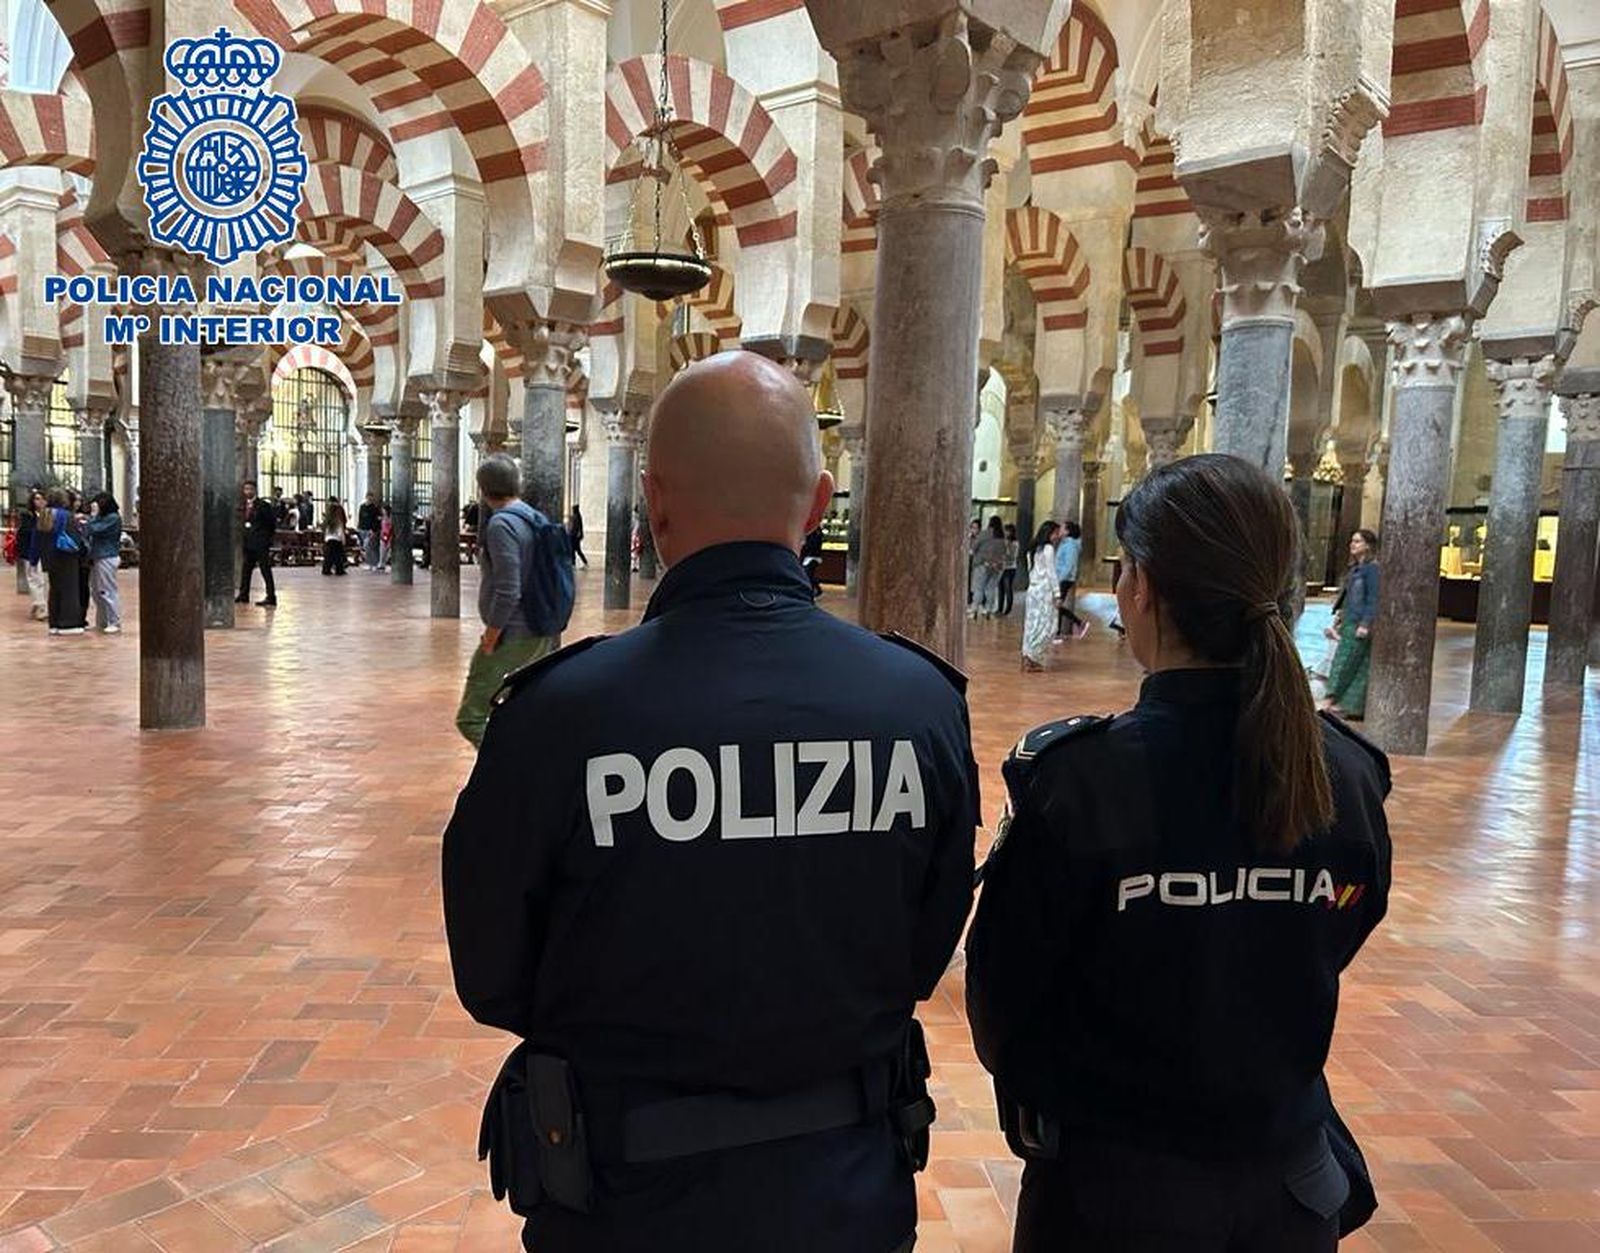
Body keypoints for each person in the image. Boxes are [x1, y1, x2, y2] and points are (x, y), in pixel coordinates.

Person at [443, 351, 979, 1253]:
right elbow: (925, 945)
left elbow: (494, 974)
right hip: (847, 1195)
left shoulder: (557, 715)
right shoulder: (919, 705)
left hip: (622, 1205)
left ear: (654, 504)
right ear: (819, 504)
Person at [966, 454, 1392, 1253]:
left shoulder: (1080, 781)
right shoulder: (1348, 774)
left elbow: (1004, 1013)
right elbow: (1336, 935)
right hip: (1287, 1191)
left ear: (1142, 588)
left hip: (1113, 1193)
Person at [452, 454, 563, 748]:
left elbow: (508, 589)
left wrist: (492, 634)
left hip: (513, 633)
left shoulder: (502, 524)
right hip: (540, 629)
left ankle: (511, 765)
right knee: (523, 709)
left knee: (471, 718)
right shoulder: (532, 517)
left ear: (483, 488)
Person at [1321, 530, 1380, 721]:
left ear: (1368, 545)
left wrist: (1365, 623)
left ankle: (1336, 701)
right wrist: (1338, 620)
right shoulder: (1355, 569)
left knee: (1350, 662)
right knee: (1344, 661)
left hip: (1359, 623)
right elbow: (1347, 598)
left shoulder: (1372, 570)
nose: (1352, 544)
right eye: (1352, 541)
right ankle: (1338, 701)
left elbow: (1373, 599)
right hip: (1349, 621)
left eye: (1357, 541)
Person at [36, 487, 88, 635]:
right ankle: (68, 623)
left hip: (49, 557)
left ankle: (54, 623)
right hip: (66, 556)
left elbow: (37, 537)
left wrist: (35, 558)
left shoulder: (44, 514)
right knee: (69, 589)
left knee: (55, 589)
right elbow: (75, 538)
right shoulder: (67, 516)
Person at [1020, 520, 1060, 673]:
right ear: (1049, 533)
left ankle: (1027, 656)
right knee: (1046, 625)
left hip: (1033, 590)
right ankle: (1033, 656)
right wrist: (1057, 593)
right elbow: (1051, 572)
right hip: (1044, 591)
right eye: (1055, 533)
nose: (1057, 536)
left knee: (1031, 624)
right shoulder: (1048, 549)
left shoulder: (1032, 548)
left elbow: (1031, 570)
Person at [85, 492, 124, 633]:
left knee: (107, 590)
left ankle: (114, 621)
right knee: (96, 591)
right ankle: (102, 621)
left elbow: (93, 529)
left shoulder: (113, 518)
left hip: (107, 557)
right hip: (97, 556)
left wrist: (92, 516)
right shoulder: (101, 518)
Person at [237, 479, 278, 607]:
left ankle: (271, 596)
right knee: (246, 570)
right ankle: (243, 594)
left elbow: (271, 523)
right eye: (246, 489)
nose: (248, 492)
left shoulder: (263, 505)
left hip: (260, 543)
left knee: (265, 570)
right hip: (248, 543)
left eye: (250, 489)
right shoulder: (243, 505)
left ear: (255, 490)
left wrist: (266, 538)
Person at [1054, 519, 1089, 639]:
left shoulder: (1070, 545)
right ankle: (1077, 624)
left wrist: (1059, 579)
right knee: (1057, 605)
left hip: (1064, 579)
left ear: (1067, 531)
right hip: (1063, 578)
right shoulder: (1066, 544)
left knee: (1057, 605)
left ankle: (1076, 624)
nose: (1059, 530)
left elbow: (1068, 565)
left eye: (1062, 528)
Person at [970, 515, 1008, 619]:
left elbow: (974, 547)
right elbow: (1005, 552)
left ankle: (974, 610)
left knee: (979, 588)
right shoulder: (1002, 537)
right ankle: (988, 610)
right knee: (991, 588)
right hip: (997, 566)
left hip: (982, 563)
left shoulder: (984, 534)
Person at [18, 487, 47, 621]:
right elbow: (25, 532)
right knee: (35, 579)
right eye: (37, 499)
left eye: (42, 499)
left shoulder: (48, 514)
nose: (40, 502)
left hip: (44, 552)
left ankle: (39, 604)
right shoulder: (28, 516)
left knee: (42, 579)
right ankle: (41, 607)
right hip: (30, 551)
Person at [322, 497, 349, 576]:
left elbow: (326, 530)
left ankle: (326, 569)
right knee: (338, 556)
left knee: (328, 556)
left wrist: (325, 538)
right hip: (337, 539)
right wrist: (343, 540)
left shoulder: (328, 520)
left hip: (329, 539)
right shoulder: (338, 520)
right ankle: (339, 570)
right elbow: (340, 531)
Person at [997, 523, 1020, 616]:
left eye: (1007, 531)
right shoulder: (1003, 541)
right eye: (1005, 531)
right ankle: (999, 608)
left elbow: (1012, 556)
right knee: (1000, 588)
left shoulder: (1015, 543)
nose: (1006, 533)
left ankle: (1008, 609)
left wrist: (1007, 547)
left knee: (1007, 588)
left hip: (1010, 568)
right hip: (1001, 568)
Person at [357, 491, 381, 570]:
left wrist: (373, 530)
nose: (370, 499)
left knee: (369, 546)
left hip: (370, 530)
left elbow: (375, 520)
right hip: (362, 529)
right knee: (366, 547)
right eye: (368, 497)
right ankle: (369, 563)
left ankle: (374, 563)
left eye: (371, 498)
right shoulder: (362, 507)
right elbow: (360, 518)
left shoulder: (374, 508)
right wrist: (359, 527)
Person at [568, 502, 588, 567]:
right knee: (577, 550)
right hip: (575, 536)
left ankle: (573, 563)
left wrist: (571, 533)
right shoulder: (577, 517)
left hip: (574, 536)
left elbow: (574, 527)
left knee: (573, 550)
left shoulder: (576, 517)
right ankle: (584, 562)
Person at [379, 505, 394, 570]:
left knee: (386, 549)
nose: (382, 511)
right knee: (382, 549)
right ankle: (381, 563)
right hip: (383, 534)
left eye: (384, 510)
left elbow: (390, 528)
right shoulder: (383, 517)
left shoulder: (389, 519)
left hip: (387, 535)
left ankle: (383, 563)